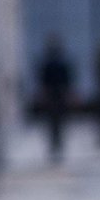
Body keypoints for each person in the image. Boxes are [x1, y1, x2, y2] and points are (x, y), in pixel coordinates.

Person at [37, 34, 74, 163]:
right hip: (56, 94)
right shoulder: (53, 63)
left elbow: (67, 80)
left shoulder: (55, 63)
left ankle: (57, 145)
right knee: (55, 122)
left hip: (57, 94)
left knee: (56, 122)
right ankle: (56, 145)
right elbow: (44, 81)